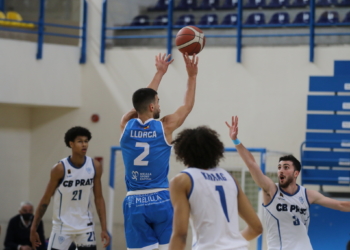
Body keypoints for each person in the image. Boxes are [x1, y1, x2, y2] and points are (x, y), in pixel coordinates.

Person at [226, 116, 350, 250]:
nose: (281, 171)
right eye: (279, 168)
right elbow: (252, 164)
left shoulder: (308, 195)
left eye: (286, 167)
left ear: (296, 173)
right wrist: (236, 140)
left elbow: (340, 205)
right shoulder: (271, 190)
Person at [120, 52, 199, 250]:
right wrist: (192, 76)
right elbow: (186, 106)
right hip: (161, 199)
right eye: (158, 101)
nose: (160, 105)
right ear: (153, 105)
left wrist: (159, 74)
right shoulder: (165, 127)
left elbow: (140, 103)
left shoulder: (126, 126)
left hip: (134, 200)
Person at [168, 126, 263, 250]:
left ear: (183, 153)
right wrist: (230, 243)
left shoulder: (182, 181)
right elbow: (257, 228)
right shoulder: (229, 178)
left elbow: (181, 235)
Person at [30, 126, 110, 250]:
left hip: (86, 226)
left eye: (86, 141)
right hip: (62, 226)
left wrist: (104, 229)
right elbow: (45, 199)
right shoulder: (59, 168)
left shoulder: (95, 166)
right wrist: (33, 228)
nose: (84, 144)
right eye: (80, 141)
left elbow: (99, 198)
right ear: (71, 144)